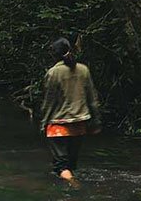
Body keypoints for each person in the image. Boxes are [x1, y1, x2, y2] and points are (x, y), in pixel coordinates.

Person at [41, 37, 101, 184]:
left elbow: (49, 102)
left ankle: (74, 186)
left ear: (54, 55)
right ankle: (70, 180)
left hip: (58, 126)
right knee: (71, 164)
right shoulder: (83, 70)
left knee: (61, 167)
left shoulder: (53, 73)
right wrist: (96, 121)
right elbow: (92, 99)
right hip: (79, 125)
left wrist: (43, 123)